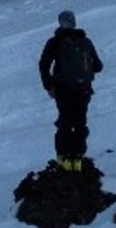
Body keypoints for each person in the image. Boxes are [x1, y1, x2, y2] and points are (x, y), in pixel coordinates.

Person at [38, 9, 103, 172]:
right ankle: (77, 160)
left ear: (60, 23)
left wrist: (49, 85)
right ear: (74, 22)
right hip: (83, 90)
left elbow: (43, 64)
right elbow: (98, 66)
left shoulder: (55, 42)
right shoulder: (85, 41)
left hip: (63, 90)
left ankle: (64, 162)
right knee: (80, 123)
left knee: (65, 123)